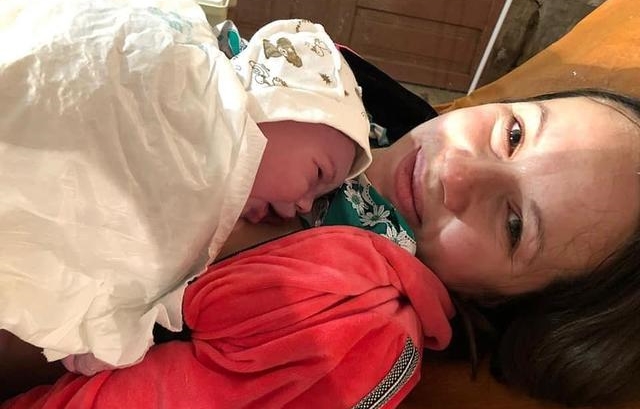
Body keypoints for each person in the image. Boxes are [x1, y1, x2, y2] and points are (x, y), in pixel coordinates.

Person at [4, 86, 640, 409]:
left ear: (504, 305)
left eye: (514, 226)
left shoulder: (352, 329)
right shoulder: (362, 97)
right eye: (515, 133)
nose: (457, 173)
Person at [0, 1, 371, 377]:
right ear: (281, 103)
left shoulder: (210, 217)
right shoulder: (200, 95)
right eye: (318, 173)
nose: (304, 205)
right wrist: (108, 330)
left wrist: (108, 324)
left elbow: (137, 259)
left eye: (316, 199)